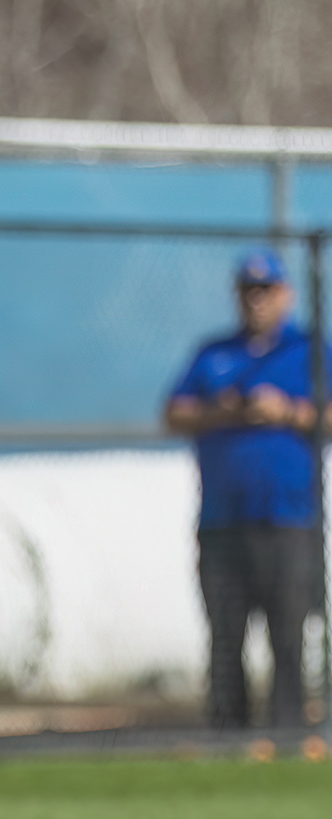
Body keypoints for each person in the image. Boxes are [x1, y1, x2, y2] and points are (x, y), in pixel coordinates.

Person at [165, 249, 323, 729]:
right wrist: (226, 410)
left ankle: (288, 734)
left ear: (286, 294)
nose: (257, 299)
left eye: (266, 290)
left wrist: (287, 412)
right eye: (248, 290)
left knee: (288, 637)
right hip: (223, 521)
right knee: (225, 638)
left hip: (288, 520)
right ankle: (228, 737)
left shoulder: (308, 350)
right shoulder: (214, 354)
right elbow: (175, 413)